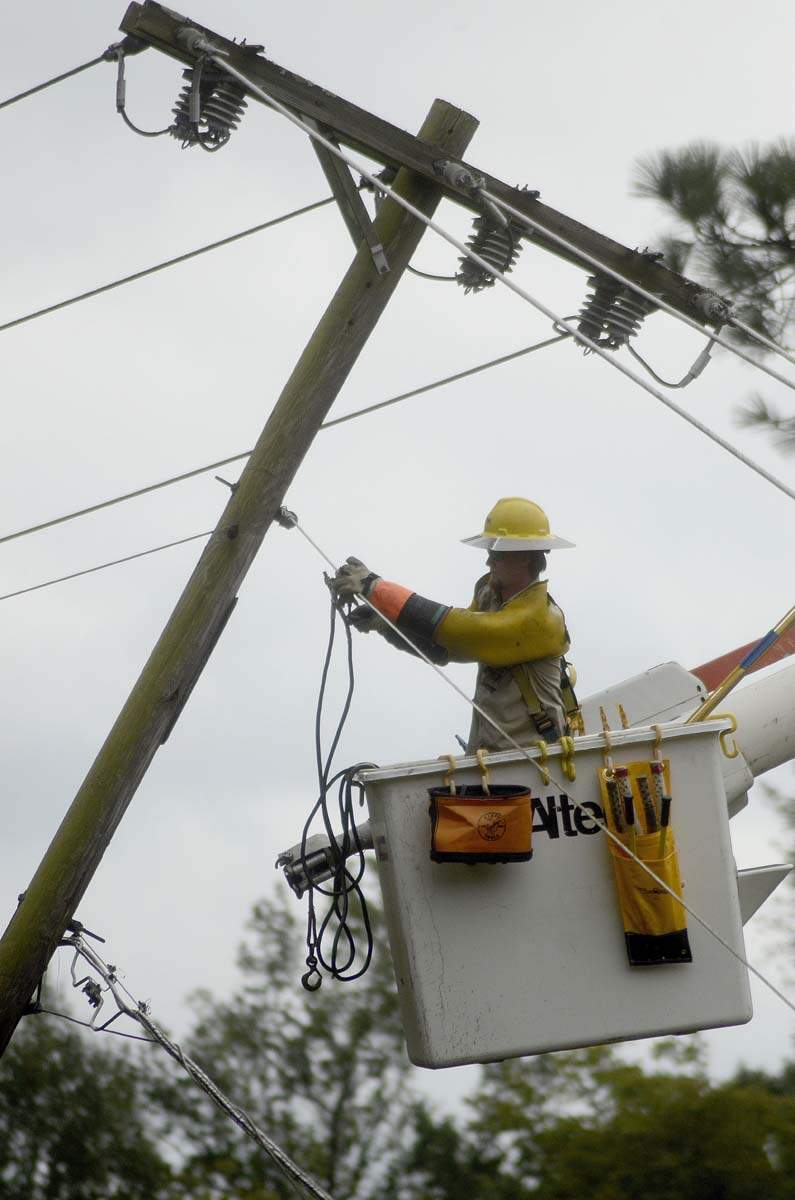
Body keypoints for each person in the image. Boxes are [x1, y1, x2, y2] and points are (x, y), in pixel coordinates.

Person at [330, 497, 577, 752]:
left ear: (524, 558)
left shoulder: (539, 618)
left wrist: (373, 587)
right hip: (496, 759)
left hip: (535, 764)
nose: (488, 561)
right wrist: (384, 622)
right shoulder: (492, 599)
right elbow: (446, 648)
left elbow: (454, 629)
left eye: (496, 554)